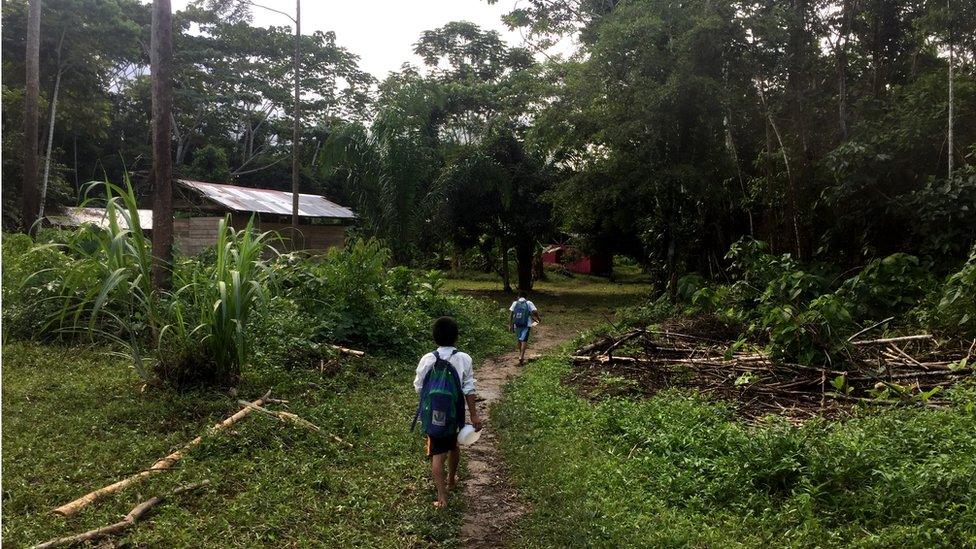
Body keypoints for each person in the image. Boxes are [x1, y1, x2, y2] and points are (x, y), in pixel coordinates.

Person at [412, 316, 482, 509]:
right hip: (454, 411)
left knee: (437, 452)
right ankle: (451, 479)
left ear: (434, 337)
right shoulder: (464, 358)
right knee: (454, 444)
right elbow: (468, 388)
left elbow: (418, 386)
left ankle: (441, 498)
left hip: (434, 413)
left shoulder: (428, 359)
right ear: (456, 337)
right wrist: (474, 415)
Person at [509, 291, 541, 366]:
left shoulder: (515, 303)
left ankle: (520, 354)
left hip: (516, 324)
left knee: (519, 339)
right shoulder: (529, 303)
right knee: (524, 340)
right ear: (526, 297)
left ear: (518, 296)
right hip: (526, 324)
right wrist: (538, 318)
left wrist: (510, 325)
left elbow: (511, 315)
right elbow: (534, 311)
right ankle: (521, 356)